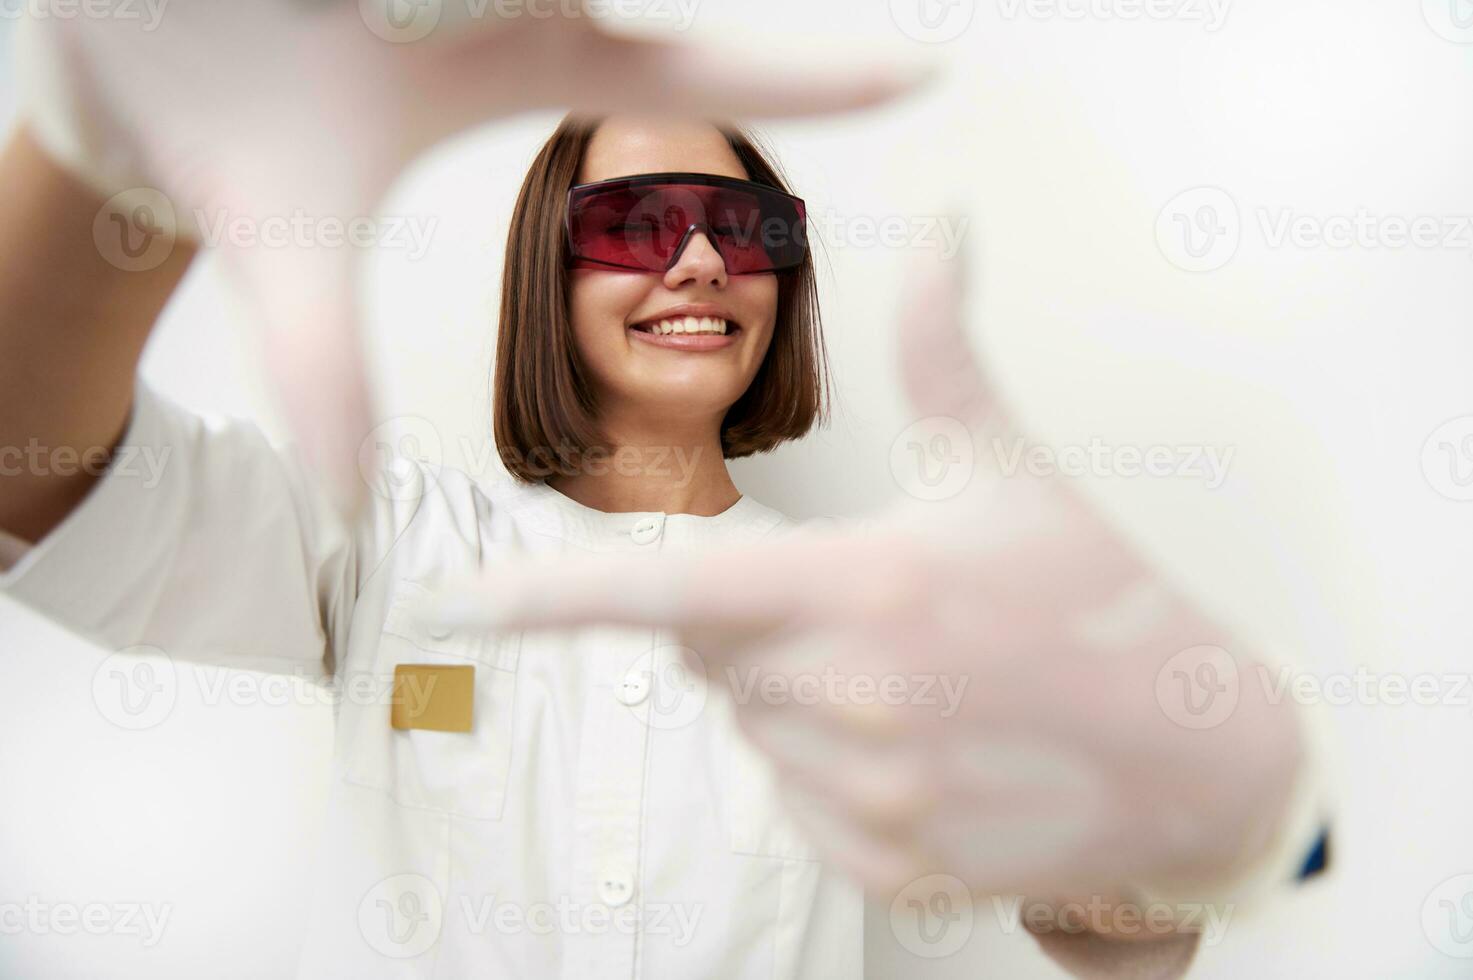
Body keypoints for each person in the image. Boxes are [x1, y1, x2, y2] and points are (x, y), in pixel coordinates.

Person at [0, 5, 1324, 978]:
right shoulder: (390, 546)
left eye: (741, 228)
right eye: (634, 222)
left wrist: (1189, 811)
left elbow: (1103, 925)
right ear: (548, 275)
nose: (696, 262)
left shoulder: (873, 603)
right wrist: (95, 163)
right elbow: (31, 470)